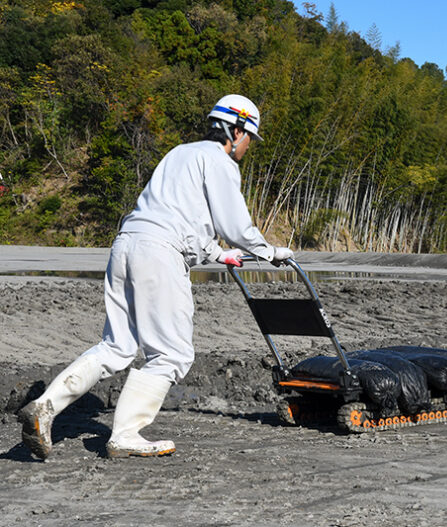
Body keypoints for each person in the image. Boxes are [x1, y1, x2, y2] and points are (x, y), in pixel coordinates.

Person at [17, 94, 293, 459]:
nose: (247, 147)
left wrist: (216, 253)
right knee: (173, 353)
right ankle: (126, 434)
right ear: (236, 130)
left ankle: (45, 406)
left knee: (116, 346)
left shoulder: (179, 153)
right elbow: (234, 224)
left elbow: (183, 215)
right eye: (248, 139)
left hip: (126, 245)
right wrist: (268, 251)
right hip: (159, 254)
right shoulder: (220, 161)